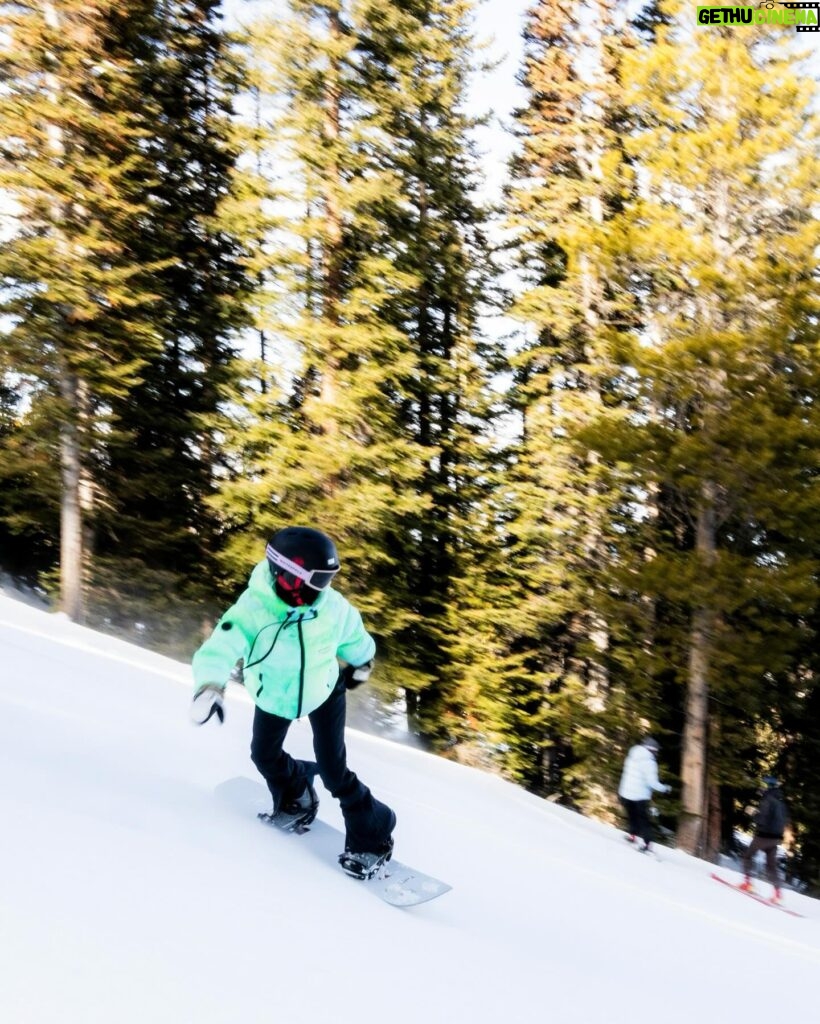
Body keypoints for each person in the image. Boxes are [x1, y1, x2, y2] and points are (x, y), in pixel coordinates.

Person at [190, 525, 396, 879]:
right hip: (274, 693)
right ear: (287, 574)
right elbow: (221, 646)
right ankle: (297, 794)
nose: (322, 589)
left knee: (335, 772)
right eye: (317, 580)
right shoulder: (254, 608)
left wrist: (362, 663)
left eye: (328, 580)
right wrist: (210, 684)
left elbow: (356, 638)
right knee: (264, 755)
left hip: (324, 689)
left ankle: (373, 833)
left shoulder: (330, 607)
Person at [618, 736, 671, 853]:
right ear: (652, 750)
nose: (656, 753)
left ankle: (632, 835)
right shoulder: (649, 762)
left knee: (632, 816)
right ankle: (648, 844)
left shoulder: (632, 755)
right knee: (643, 820)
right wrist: (665, 789)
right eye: (656, 751)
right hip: (639, 796)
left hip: (626, 792)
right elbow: (652, 782)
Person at [740, 776, 789, 902]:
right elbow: (783, 822)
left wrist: (753, 813)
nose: (760, 788)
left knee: (747, 856)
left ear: (768, 786)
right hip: (775, 839)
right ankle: (777, 894)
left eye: (763, 785)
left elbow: (762, 820)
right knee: (771, 866)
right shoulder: (781, 802)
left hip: (764, 836)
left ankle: (747, 883)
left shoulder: (767, 800)